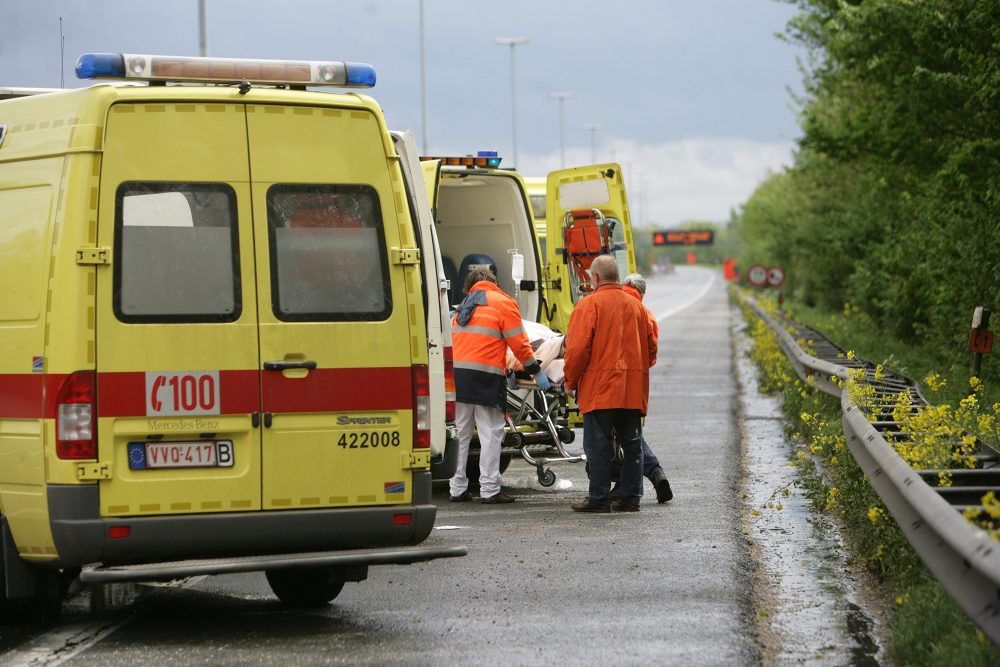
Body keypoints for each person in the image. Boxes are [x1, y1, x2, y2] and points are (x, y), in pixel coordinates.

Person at [449, 268, 552, 504]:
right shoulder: (502, 302)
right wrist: (535, 371)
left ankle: (457, 488)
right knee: (491, 433)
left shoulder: (462, 307)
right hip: (485, 378)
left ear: (470, 287)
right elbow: (520, 344)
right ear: (494, 282)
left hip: (458, 377)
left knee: (461, 433)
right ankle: (489, 489)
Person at [564, 256, 657, 512]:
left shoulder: (589, 305)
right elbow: (651, 346)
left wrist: (570, 381)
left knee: (597, 446)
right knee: (632, 444)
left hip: (600, 388)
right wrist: (637, 370)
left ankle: (599, 498)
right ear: (617, 276)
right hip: (631, 389)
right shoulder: (637, 307)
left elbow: (577, 349)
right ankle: (630, 498)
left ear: (595, 277)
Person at [609, 273, 673, 503]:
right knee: (631, 435)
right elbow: (651, 355)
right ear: (642, 293)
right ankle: (651, 474)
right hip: (635, 385)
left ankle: (623, 484)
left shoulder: (605, 305)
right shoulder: (646, 315)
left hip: (605, 382)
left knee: (612, 436)